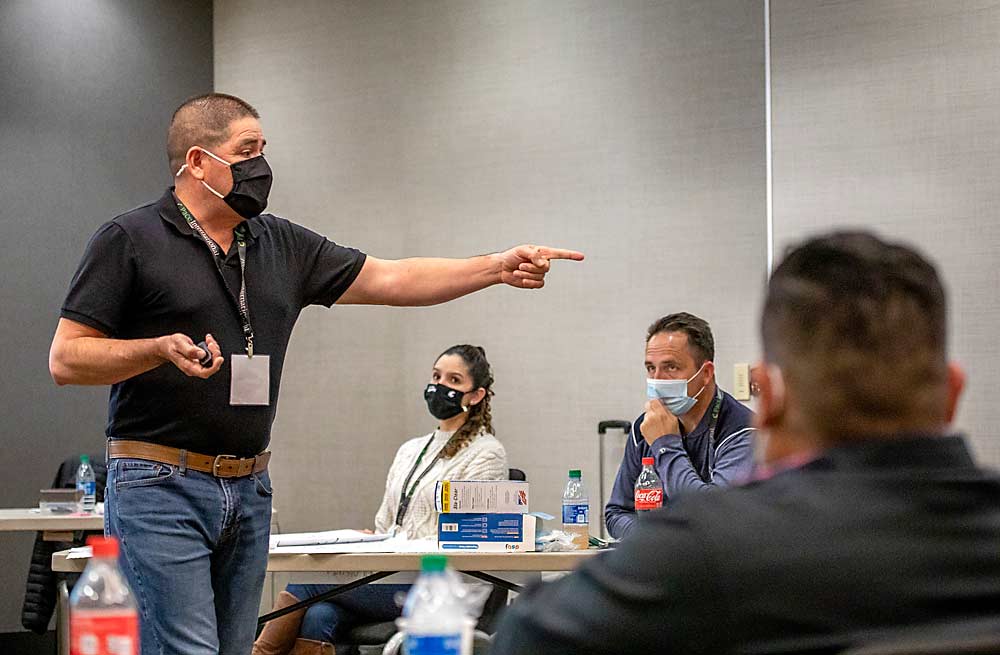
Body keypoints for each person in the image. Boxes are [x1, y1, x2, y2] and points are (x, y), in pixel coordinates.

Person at [47, 93, 581, 655]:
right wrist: (156, 348)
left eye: (264, 149)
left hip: (248, 486)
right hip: (159, 483)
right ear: (198, 162)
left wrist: (495, 267)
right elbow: (67, 358)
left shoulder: (280, 243)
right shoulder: (130, 239)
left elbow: (393, 279)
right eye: (245, 150)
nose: (261, 165)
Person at [491, 231, 1000, 655]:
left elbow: (522, 640)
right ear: (953, 392)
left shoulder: (708, 551)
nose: (658, 379)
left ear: (771, 399)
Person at [253, 344, 506, 655]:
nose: (440, 386)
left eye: (454, 381)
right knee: (319, 615)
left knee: (306, 583)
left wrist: (401, 543)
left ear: (476, 395)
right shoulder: (411, 449)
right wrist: (375, 540)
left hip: (444, 587)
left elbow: (470, 535)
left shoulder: (487, 453)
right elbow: (386, 523)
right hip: (393, 573)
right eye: (436, 376)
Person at [604, 313, 756, 539]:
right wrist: (657, 541)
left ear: (705, 374)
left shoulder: (742, 431)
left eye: (671, 367)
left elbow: (711, 517)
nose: (657, 379)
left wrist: (665, 444)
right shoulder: (644, 427)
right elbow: (616, 512)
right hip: (660, 561)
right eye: (650, 368)